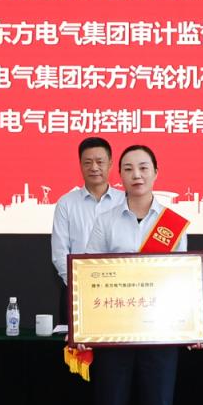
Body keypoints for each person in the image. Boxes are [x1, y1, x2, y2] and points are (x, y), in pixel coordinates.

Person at [82, 144, 195, 405]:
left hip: (159, 339)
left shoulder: (173, 224)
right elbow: (90, 276)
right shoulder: (105, 221)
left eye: (144, 167)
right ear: (120, 176)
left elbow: (181, 277)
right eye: (129, 168)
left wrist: (190, 323)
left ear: (156, 172)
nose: (137, 175)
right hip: (114, 339)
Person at [50, 137, 125, 320]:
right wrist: (78, 284)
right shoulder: (66, 203)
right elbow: (59, 252)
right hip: (77, 291)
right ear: (80, 165)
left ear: (110, 164)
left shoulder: (126, 201)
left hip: (120, 292)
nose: (94, 167)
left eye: (100, 162)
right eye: (88, 162)